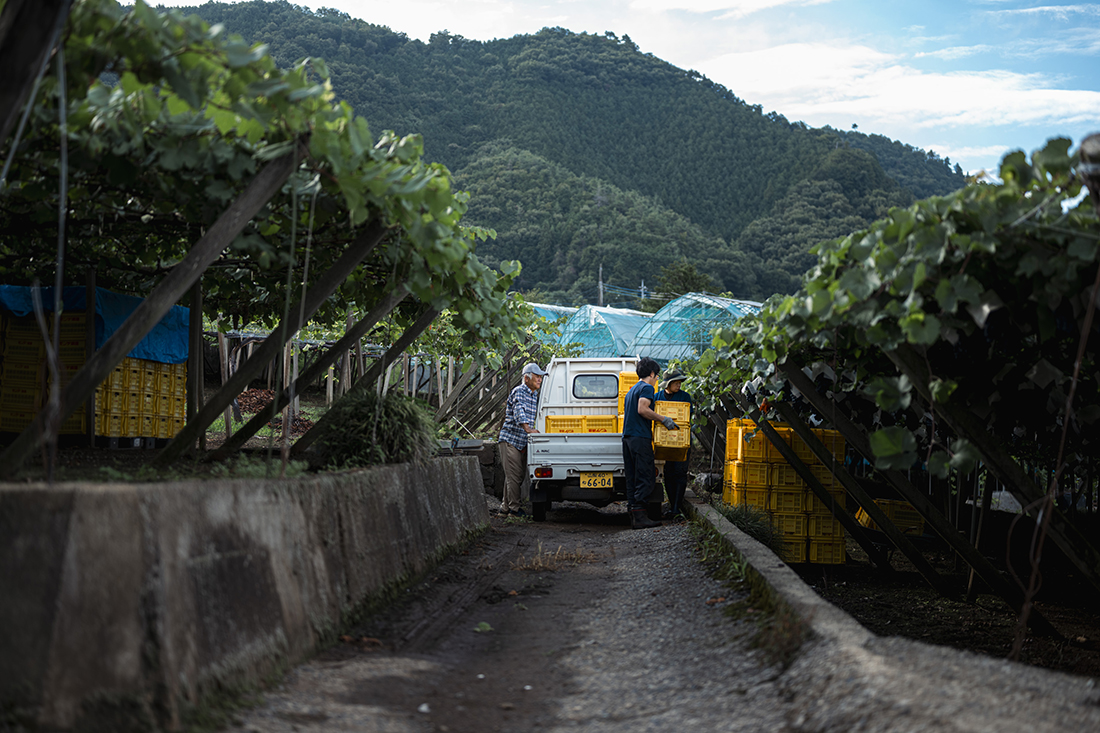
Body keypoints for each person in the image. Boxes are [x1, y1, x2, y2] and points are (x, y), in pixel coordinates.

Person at [621, 357, 680, 529]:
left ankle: (634, 513)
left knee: (632, 477)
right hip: (640, 438)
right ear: (652, 374)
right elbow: (642, 409)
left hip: (628, 438)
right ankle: (640, 516)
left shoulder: (632, 390)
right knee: (646, 476)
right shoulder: (647, 388)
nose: (657, 380)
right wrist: (663, 419)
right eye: (657, 376)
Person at [498, 362, 547, 516]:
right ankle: (514, 509)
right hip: (510, 440)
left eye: (540, 377)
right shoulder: (520, 391)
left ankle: (504, 509)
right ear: (527, 378)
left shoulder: (534, 395)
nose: (540, 380)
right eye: (537, 377)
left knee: (513, 475)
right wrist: (528, 429)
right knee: (515, 476)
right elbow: (520, 411)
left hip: (520, 441)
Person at [656, 368, 692, 518]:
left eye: (680, 383)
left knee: (680, 473)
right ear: (668, 384)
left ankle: (677, 508)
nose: (679, 386)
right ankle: (672, 506)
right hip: (664, 442)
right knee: (668, 474)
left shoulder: (685, 397)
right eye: (676, 383)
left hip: (681, 441)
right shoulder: (657, 397)